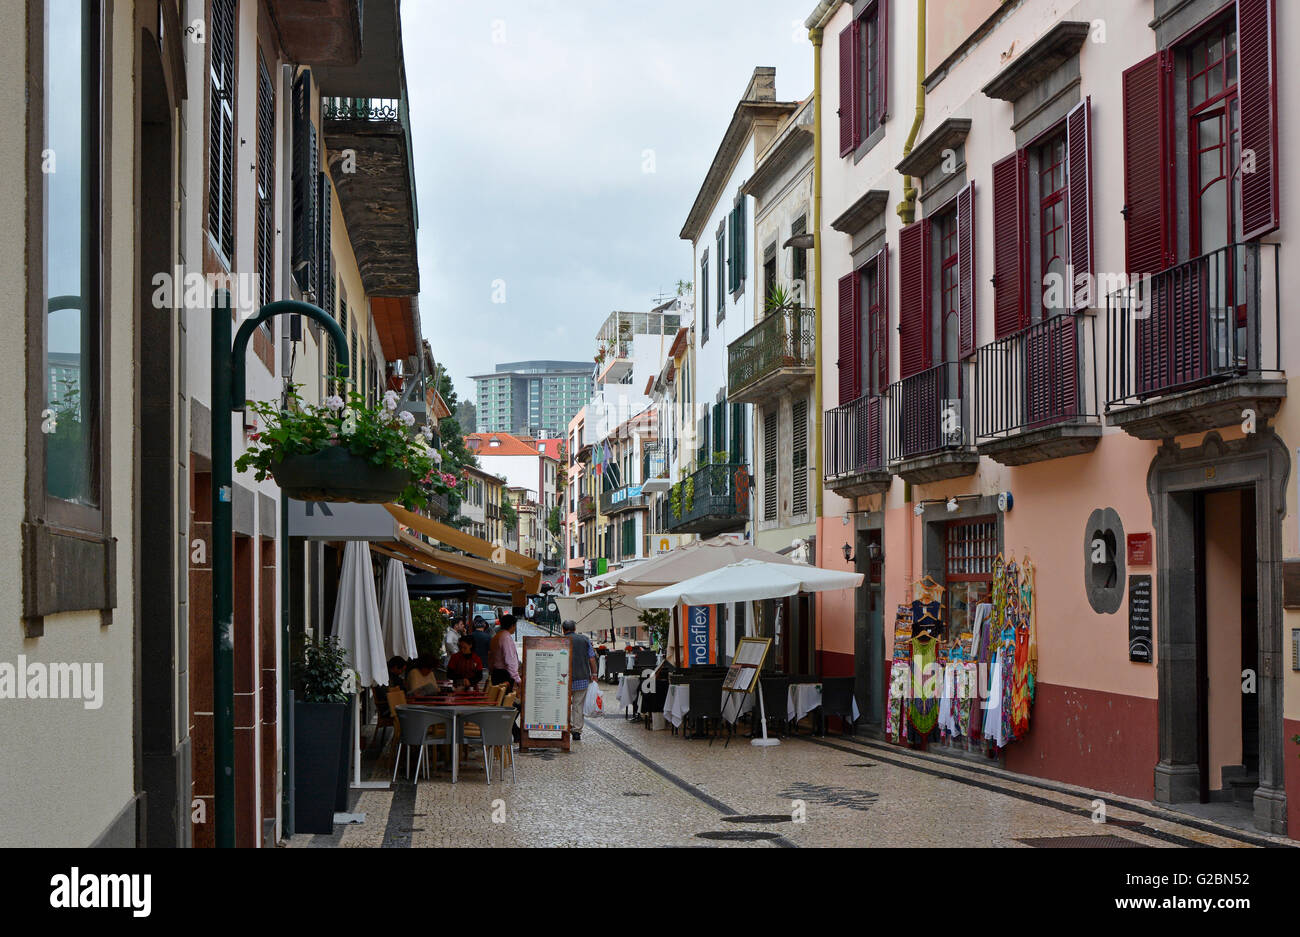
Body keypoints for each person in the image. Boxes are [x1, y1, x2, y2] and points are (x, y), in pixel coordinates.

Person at [563, 620, 597, 741]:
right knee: (578, 705)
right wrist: (594, 674)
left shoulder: (561, 640)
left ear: (563, 629)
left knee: (565, 704)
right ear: (575, 628)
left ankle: (566, 727)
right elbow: (592, 658)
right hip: (582, 677)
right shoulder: (584, 639)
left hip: (563, 679)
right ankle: (576, 730)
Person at [488, 614, 521, 692]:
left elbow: (490, 657)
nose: (515, 628)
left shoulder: (497, 636)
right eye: (515, 625)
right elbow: (509, 659)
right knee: (504, 699)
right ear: (512, 625)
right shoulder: (505, 637)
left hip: (496, 673)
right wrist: (517, 678)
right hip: (504, 674)